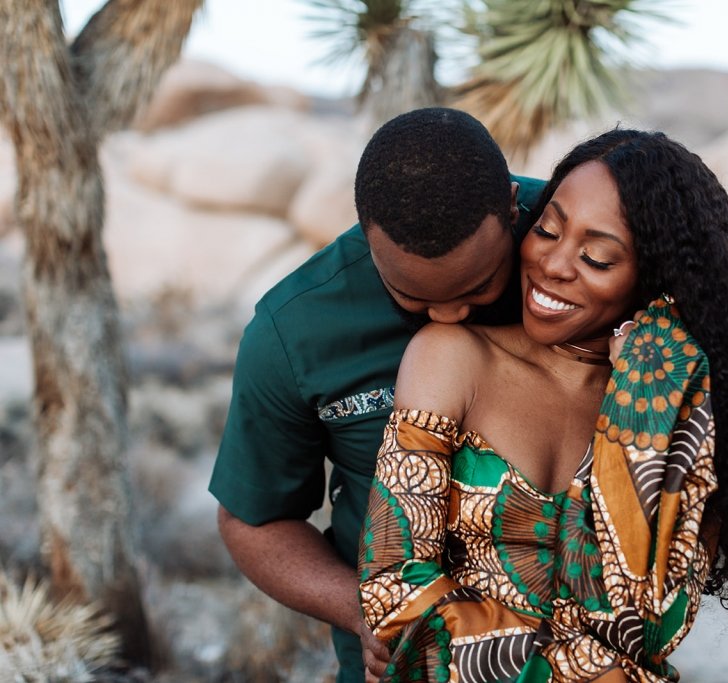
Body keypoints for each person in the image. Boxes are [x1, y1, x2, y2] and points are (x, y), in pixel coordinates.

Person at [358, 129, 728, 682]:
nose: (554, 263)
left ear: (652, 275)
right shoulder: (453, 359)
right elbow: (395, 588)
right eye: (547, 228)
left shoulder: (667, 409)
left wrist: (640, 402)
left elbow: (653, 623)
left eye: (597, 256)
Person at [209, 107, 548, 683]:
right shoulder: (294, 331)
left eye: (478, 288)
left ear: (513, 206)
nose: (447, 317)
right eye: (411, 297)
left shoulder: (576, 239)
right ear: (366, 233)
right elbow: (254, 522)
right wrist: (367, 608)